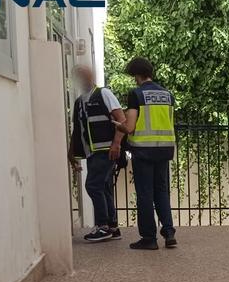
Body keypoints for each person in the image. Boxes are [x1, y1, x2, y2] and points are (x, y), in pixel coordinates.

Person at [117, 57, 177, 250]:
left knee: (145, 194)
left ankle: (149, 238)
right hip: (165, 149)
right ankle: (169, 232)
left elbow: (131, 126)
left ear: (136, 75)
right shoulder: (168, 95)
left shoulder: (136, 94)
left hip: (143, 150)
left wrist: (120, 126)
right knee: (161, 191)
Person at [69, 64, 126, 243]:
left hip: (106, 150)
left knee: (93, 185)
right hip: (92, 152)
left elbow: (121, 120)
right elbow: (77, 131)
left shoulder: (103, 94)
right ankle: (112, 226)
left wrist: (116, 144)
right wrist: (72, 155)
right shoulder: (79, 101)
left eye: (84, 74)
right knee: (103, 187)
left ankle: (103, 226)